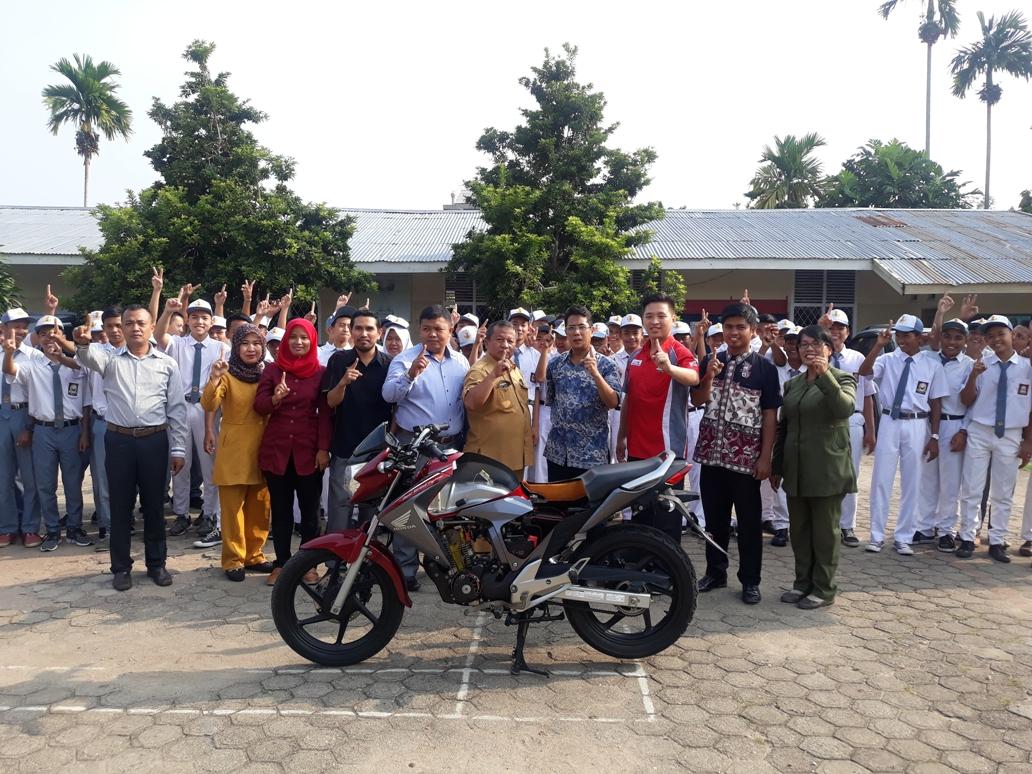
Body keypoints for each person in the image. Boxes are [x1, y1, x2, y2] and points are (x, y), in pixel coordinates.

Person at [74, 305, 189, 590]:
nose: (135, 328)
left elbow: (176, 409)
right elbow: (87, 357)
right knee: (120, 505)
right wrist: (82, 343)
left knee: (154, 505)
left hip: (154, 440)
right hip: (119, 441)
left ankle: (156, 564)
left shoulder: (167, 364)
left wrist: (178, 449)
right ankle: (121, 568)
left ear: (151, 327)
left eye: (140, 323)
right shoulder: (109, 359)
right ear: (122, 328)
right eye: (129, 323)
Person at [690, 301, 780, 605]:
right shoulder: (710, 360)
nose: (733, 332)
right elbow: (697, 400)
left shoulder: (765, 368)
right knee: (714, 521)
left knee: (749, 523)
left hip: (745, 460)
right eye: (728, 327)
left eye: (741, 327)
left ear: (752, 331)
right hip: (711, 456)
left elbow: (770, 414)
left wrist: (765, 457)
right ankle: (715, 572)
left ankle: (750, 580)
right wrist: (708, 376)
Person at [383, 305, 469, 589]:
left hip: (449, 448)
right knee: (408, 508)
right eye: (427, 329)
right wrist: (410, 374)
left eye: (439, 329)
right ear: (419, 330)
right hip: (415, 447)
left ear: (450, 330)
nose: (433, 334)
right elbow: (388, 395)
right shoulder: (405, 359)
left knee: (446, 509)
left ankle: (445, 565)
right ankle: (405, 569)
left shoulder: (461, 361)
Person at [771, 325, 857, 609]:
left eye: (816, 344)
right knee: (799, 532)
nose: (809, 349)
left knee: (824, 533)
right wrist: (777, 465)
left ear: (829, 349)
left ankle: (824, 588)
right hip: (796, 469)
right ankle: (802, 583)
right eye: (804, 344)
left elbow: (844, 408)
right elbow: (784, 427)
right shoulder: (793, 384)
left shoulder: (843, 378)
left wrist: (825, 376)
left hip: (827, 469)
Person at [859, 314, 948, 556]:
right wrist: (878, 345)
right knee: (881, 479)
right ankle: (876, 535)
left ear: (919, 338)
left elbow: (936, 403)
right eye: (898, 335)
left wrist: (935, 436)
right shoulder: (887, 359)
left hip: (917, 423)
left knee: (912, 481)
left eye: (907, 335)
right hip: (890, 421)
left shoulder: (932, 365)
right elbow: (864, 371)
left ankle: (904, 536)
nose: (901, 340)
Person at [617, 293, 701, 541]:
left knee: (666, 519)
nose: (654, 321)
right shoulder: (635, 356)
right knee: (641, 517)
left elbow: (693, 377)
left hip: (668, 454)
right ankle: (641, 562)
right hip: (636, 451)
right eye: (649, 316)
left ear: (673, 318)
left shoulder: (679, 352)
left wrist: (669, 368)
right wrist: (621, 437)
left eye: (661, 316)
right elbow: (629, 400)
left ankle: (668, 565)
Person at [3, 315, 91, 552]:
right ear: (38, 338)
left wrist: (84, 433)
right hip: (44, 432)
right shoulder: (33, 365)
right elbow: (11, 371)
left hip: (72, 430)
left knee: (73, 483)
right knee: (45, 484)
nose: (49, 338)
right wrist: (9, 353)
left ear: (62, 336)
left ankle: (74, 528)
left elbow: (86, 403)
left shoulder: (76, 365)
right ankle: (52, 530)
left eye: (54, 333)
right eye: (43, 334)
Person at [255, 318, 331, 585]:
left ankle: (308, 564)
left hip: (308, 450)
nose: (298, 342)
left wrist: (324, 449)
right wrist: (275, 397)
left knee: (310, 512)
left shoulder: (321, 372)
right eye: (294, 337)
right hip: (277, 451)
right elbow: (259, 406)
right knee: (281, 510)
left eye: (304, 337)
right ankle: (282, 563)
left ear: (312, 341)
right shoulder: (273, 370)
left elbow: (325, 414)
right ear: (286, 340)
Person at [954, 315, 1032, 561]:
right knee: (972, 488)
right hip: (981, 430)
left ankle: (997, 540)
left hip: (1010, 434)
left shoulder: (1027, 368)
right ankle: (967, 537)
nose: (996, 339)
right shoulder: (981, 365)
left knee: (1003, 491)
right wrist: (973, 376)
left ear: (1012, 335)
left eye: (1001, 334)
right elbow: (966, 400)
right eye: (990, 336)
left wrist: (1028, 441)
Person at [201, 323, 273, 581]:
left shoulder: (268, 373)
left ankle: (254, 555)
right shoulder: (227, 374)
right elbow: (209, 403)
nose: (251, 349)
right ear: (236, 347)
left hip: (263, 448)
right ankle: (233, 560)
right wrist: (214, 378)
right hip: (234, 450)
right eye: (245, 343)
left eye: (256, 343)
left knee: (260, 507)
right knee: (232, 510)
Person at [155, 284, 227, 540]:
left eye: (204, 318)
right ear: (187, 320)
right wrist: (167, 311)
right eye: (194, 317)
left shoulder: (221, 347)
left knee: (210, 465)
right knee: (179, 464)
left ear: (211, 322)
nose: (199, 322)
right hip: (180, 408)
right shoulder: (177, 343)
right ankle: (181, 513)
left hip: (208, 410)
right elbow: (158, 335)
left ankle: (209, 513)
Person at [323, 310, 393, 531]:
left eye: (369, 328)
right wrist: (343, 382)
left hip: (377, 453)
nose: (364, 333)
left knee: (370, 514)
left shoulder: (389, 364)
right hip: (345, 448)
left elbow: (396, 407)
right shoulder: (339, 360)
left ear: (379, 333)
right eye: (358, 328)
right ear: (351, 331)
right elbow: (330, 402)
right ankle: (335, 553)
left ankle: (364, 554)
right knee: (340, 508)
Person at [817, 306, 878, 548]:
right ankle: (824, 523)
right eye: (831, 327)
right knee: (822, 473)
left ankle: (847, 525)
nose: (835, 331)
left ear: (848, 332)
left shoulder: (857, 359)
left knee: (849, 474)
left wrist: (871, 430)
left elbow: (867, 396)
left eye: (840, 327)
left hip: (852, 420)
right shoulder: (818, 355)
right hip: (822, 420)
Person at [917, 314, 974, 552]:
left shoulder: (969, 365)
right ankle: (924, 527)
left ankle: (946, 530)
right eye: (947, 336)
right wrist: (940, 313)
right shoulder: (928, 358)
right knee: (927, 479)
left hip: (953, 424)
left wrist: (964, 430)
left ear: (965, 341)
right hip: (927, 424)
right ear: (940, 338)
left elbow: (973, 403)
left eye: (958, 338)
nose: (952, 342)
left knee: (950, 483)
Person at [543, 307, 621, 481]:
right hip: (558, 454)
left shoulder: (607, 365)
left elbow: (613, 402)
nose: (576, 332)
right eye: (571, 328)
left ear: (591, 330)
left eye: (581, 327)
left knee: (589, 500)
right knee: (557, 499)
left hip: (591, 456)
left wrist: (596, 374)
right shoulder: (555, 365)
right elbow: (552, 401)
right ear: (566, 332)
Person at [463, 320, 534, 477]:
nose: (505, 345)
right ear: (487, 342)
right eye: (500, 339)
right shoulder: (479, 370)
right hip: (490, 459)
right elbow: (471, 403)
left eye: (510, 341)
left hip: (515, 455)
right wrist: (493, 376)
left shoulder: (514, 369)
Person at [0, 307, 42, 548]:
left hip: (24, 414)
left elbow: (38, 394)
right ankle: (7, 527)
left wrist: (30, 425)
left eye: (25, 326)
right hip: (1, 416)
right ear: (3, 328)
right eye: (16, 326)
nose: (22, 330)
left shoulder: (34, 356)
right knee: (3, 476)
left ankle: (30, 527)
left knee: (29, 476)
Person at [83, 307, 124, 550]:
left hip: (129, 425)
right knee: (103, 479)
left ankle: (125, 521)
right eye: (109, 327)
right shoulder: (94, 354)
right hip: (102, 423)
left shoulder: (138, 352)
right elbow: (73, 354)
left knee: (129, 478)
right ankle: (107, 526)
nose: (114, 331)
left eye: (119, 325)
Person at [768, 325, 806, 547]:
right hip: (781, 429)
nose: (792, 347)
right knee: (779, 474)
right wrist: (773, 342)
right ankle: (781, 525)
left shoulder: (813, 370)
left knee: (805, 475)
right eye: (789, 342)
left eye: (796, 343)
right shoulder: (775, 368)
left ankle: (801, 526)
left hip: (806, 428)